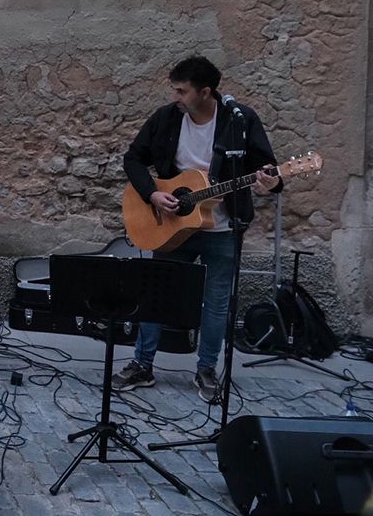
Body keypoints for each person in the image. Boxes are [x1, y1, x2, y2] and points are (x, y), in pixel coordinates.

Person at [112, 56, 280, 402]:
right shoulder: (166, 118)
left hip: (222, 227)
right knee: (155, 295)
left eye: (182, 91)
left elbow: (268, 170)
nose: (175, 97)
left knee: (216, 302)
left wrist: (270, 182)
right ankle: (142, 365)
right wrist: (154, 194)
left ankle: (206, 369)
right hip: (172, 226)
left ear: (205, 92)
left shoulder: (239, 120)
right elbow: (133, 159)